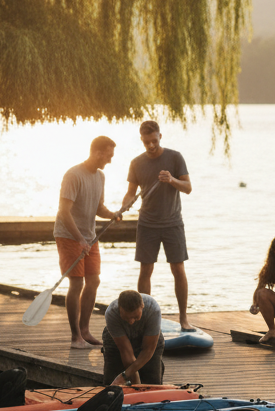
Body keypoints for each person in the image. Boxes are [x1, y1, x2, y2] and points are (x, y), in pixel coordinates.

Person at [120, 120, 196, 330]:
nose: (151, 145)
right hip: (147, 224)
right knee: (146, 270)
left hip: (173, 223)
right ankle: (143, 319)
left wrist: (172, 180)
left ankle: (183, 319)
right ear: (142, 140)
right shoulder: (136, 163)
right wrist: (125, 205)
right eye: (147, 142)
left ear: (160, 136)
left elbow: (188, 187)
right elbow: (130, 193)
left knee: (178, 269)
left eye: (154, 141)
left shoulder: (174, 157)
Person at [52, 136, 122, 349]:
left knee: (94, 281)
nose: (110, 160)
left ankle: (84, 331)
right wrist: (80, 239)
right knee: (77, 283)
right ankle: (75, 338)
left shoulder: (100, 176)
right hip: (68, 236)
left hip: (89, 238)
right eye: (108, 155)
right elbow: (64, 212)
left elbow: (98, 207)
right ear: (98, 152)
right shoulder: (73, 175)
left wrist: (112, 214)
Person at [102, 289, 164, 386]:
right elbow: (126, 352)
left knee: (152, 381)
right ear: (120, 309)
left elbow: (147, 350)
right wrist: (135, 383)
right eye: (126, 318)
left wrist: (124, 376)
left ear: (142, 306)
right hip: (117, 342)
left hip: (147, 338)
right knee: (112, 381)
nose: (131, 322)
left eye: (135, 317)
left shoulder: (153, 309)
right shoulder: (111, 313)